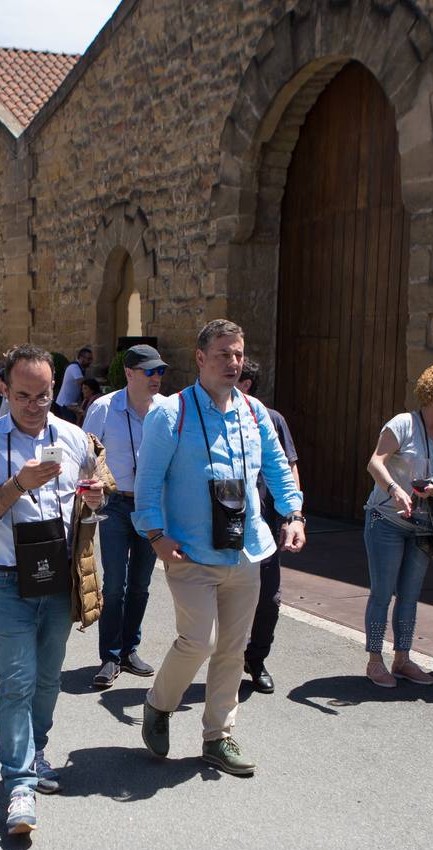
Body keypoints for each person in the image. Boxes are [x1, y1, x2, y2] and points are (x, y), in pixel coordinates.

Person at [132, 319, 305, 777]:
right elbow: (147, 484)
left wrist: (293, 515)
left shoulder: (255, 413)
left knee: (232, 648)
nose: (234, 362)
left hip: (246, 550)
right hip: (188, 551)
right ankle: (159, 704)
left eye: (239, 354)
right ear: (201, 358)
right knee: (199, 641)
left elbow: (278, 469)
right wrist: (155, 535)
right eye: (225, 353)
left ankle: (218, 737)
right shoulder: (171, 414)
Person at [0, 345, 104, 834]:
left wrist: (94, 496)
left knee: (48, 680)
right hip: (6, 578)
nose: (35, 405)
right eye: (23, 395)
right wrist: (18, 485)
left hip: (58, 576)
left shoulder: (72, 437)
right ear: (4, 389)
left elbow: (90, 493)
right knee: (16, 681)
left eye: (43, 395)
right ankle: (19, 786)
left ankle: (36, 748)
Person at [358, 362, 433, 688]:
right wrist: (395, 489)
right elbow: (374, 463)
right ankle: (375, 660)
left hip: (424, 526)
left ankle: (403, 658)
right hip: (386, 520)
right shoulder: (403, 424)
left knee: (410, 595)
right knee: (382, 593)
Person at [81, 344, 170, 688]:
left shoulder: (166, 409)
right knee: (115, 583)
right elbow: (86, 456)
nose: (156, 378)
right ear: (130, 374)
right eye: (150, 372)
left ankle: (130, 649)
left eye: (160, 371)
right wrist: (91, 490)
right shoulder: (104, 408)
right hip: (115, 504)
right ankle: (110, 656)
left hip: (151, 506)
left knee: (141, 584)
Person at [235, 358, 302, 694]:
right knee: (226, 598)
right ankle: (228, 663)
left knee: (269, 599)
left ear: (246, 385)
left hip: (267, 524)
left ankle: (256, 660)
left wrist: (294, 517)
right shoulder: (212, 416)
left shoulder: (270, 419)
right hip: (226, 525)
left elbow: (289, 468)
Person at [53, 346, 92, 422]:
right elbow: (81, 383)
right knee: (68, 426)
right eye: (89, 359)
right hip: (65, 404)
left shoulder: (79, 368)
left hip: (69, 403)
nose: (90, 361)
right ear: (81, 358)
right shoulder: (74, 367)